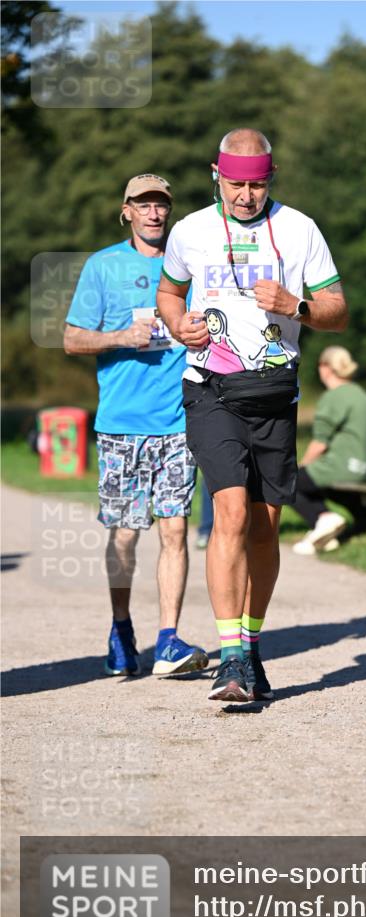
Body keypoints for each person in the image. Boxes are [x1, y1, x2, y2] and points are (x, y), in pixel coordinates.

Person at [156, 128, 348, 703]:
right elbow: (170, 293)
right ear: (217, 176)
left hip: (274, 393)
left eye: (257, 184)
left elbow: (337, 311)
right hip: (209, 388)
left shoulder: (299, 228)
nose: (246, 195)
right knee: (231, 513)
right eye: (236, 183)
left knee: (265, 529)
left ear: (271, 178)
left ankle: (253, 645)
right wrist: (176, 323)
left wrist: (298, 306)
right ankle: (231, 659)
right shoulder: (189, 230)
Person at [64, 174, 208, 677]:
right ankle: (122, 626)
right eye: (143, 205)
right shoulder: (103, 266)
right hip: (121, 424)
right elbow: (72, 339)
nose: (153, 213)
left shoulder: (190, 263)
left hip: (178, 420)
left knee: (175, 528)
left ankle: (168, 640)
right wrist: (123, 336)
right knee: (125, 534)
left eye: (160, 205)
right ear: (125, 210)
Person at [292, 345, 366, 555]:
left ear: (327, 367)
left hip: (342, 467)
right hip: (365, 469)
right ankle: (330, 535)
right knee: (312, 482)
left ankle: (324, 519)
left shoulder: (334, 397)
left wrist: (302, 466)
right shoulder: (360, 394)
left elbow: (320, 443)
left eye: (320, 364)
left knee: (288, 481)